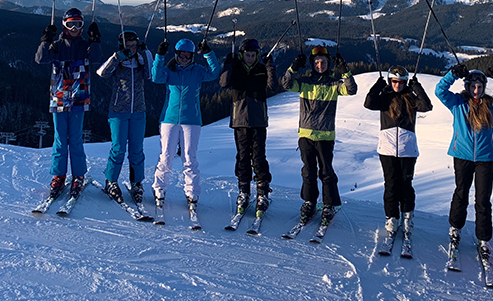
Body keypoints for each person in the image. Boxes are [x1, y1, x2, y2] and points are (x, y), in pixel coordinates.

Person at [435, 63, 493, 261]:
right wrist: (452, 74)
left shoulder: (490, 105)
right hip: (461, 155)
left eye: (480, 87)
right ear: (468, 86)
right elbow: (440, 91)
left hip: (485, 159)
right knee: (461, 193)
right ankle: (455, 228)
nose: (476, 90)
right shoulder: (457, 103)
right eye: (473, 86)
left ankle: (483, 239)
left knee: (483, 199)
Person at [281, 45, 357, 224]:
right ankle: (310, 201)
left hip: (325, 137)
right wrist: (293, 67)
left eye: (323, 62)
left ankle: (329, 204)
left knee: (326, 172)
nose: (320, 66)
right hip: (306, 135)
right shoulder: (304, 82)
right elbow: (285, 84)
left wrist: (345, 70)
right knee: (308, 172)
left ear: (328, 63)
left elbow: (352, 89)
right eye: (316, 62)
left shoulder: (334, 84)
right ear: (312, 64)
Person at [36, 8, 102, 199]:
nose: (74, 28)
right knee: (59, 138)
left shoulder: (85, 46)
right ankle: (59, 174)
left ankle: (78, 175)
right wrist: (45, 40)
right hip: (59, 97)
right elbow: (40, 59)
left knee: (75, 138)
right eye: (70, 24)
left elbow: (96, 58)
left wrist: (95, 40)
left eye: (78, 24)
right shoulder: (56, 46)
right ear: (64, 25)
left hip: (79, 97)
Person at [151, 37, 221, 211]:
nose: (184, 58)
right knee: (166, 156)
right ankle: (159, 189)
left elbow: (214, 72)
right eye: (181, 55)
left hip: (191, 120)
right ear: (176, 54)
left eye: (188, 55)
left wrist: (208, 53)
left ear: (192, 56)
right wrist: (159, 55)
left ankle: (192, 192)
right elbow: (155, 76)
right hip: (169, 119)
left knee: (189, 157)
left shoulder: (198, 71)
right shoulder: (168, 71)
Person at [363, 66, 432, 239]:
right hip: (386, 148)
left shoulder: (410, 98)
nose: (397, 85)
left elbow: (427, 106)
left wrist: (416, 87)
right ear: (389, 81)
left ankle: (407, 217)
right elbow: (369, 103)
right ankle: (391, 217)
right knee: (391, 184)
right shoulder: (385, 97)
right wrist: (378, 86)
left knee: (406, 186)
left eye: (401, 82)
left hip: (407, 149)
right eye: (394, 81)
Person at [219, 38, 279, 213]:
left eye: (253, 55)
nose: (250, 58)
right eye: (247, 55)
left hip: (259, 120)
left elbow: (273, 86)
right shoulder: (236, 69)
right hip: (240, 121)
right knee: (243, 157)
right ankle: (243, 191)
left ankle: (262, 192)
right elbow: (223, 83)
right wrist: (228, 65)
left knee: (259, 157)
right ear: (242, 55)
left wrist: (270, 66)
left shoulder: (261, 70)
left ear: (257, 55)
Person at [96, 30, 153, 205]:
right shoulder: (118, 62)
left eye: (135, 46)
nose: (132, 49)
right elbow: (101, 72)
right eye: (128, 46)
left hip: (138, 112)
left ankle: (137, 182)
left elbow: (151, 74)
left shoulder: (141, 62)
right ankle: (111, 181)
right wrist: (117, 57)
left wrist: (145, 53)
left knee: (137, 150)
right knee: (118, 148)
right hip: (118, 112)